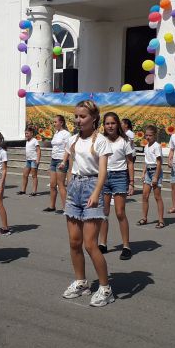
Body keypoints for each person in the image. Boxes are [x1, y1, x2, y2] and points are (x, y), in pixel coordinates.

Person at [61, 100, 115, 307]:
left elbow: (103, 171)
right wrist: (67, 187)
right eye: (76, 116)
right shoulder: (72, 139)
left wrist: (96, 192)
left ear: (94, 118)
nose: (78, 120)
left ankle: (105, 288)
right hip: (75, 187)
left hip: (92, 188)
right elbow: (72, 164)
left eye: (82, 116)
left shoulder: (100, 141)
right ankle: (81, 282)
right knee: (74, 242)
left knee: (90, 244)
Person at [98, 112, 135, 260]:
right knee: (104, 212)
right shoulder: (101, 140)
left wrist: (131, 182)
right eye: (107, 123)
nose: (110, 126)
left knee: (120, 212)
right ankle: (103, 243)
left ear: (117, 124)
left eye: (113, 123)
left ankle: (126, 246)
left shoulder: (124, 141)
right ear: (104, 126)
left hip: (120, 177)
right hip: (104, 177)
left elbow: (130, 162)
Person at [44, 115, 71, 214]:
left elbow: (68, 149)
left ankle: (66, 208)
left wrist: (64, 162)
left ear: (61, 123)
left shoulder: (67, 134)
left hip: (61, 160)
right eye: (54, 122)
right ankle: (52, 206)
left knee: (61, 185)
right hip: (53, 160)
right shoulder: (56, 133)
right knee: (52, 184)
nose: (54, 124)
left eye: (56, 122)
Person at [140, 125, 165, 228]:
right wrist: (143, 172)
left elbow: (159, 162)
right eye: (146, 135)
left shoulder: (156, 146)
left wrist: (155, 176)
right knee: (144, 196)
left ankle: (161, 220)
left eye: (150, 135)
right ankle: (144, 218)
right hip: (148, 172)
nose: (148, 137)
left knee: (157, 197)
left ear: (154, 135)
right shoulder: (146, 146)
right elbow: (146, 161)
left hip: (155, 171)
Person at [19, 126, 40, 196]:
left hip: (34, 160)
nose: (26, 135)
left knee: (34, 176)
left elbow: (38, 150)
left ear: (31, 133)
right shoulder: (27, 141)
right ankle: (23, 190)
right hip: (28, 160)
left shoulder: (35, 140)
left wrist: (37, 160)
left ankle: (34, 191)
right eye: (25, 133)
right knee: (25, 175)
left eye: (27, 133)